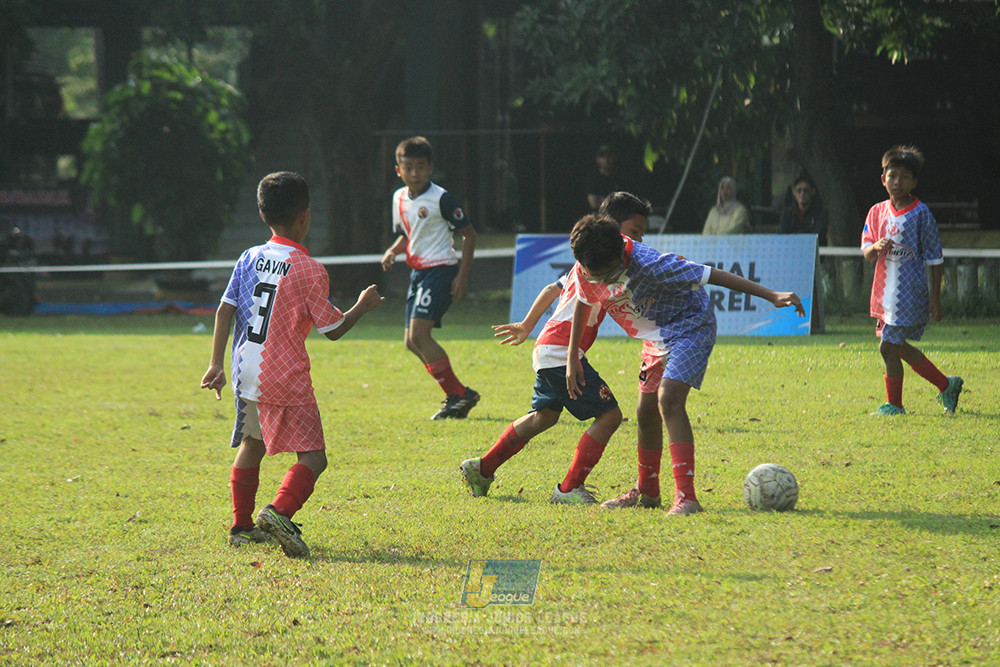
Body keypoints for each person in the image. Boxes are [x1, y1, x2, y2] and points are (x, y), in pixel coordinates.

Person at [565, 216, 804, 515]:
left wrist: (771, 295)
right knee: (646, 413)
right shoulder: (589, 265)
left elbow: (712, 274)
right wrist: (573, 354)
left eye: (610, 274)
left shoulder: (651, 264)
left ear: (621, 256)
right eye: (597, 276)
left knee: (670, 399)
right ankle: (648, 492)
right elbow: (584, 301)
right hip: (655, 338)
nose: (605, 282)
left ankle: (687, 498)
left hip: (690, 325)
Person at [201, 171, 385, 558]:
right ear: (304, 215)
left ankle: (241, 526)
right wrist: (362, 307)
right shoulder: (309, 269)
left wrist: (215, 364)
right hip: (283, 376)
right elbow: (332, 329)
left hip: (243, 369)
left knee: (253, 443)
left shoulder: (249, 256)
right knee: (314, 457)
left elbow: (224, 310)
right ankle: (279, 513)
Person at [459, 192, 651, 505]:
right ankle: (568, 489)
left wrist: (527, 325)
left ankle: (483, 468)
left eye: (643, 234)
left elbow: (553, 288)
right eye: (635, 232)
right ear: (613, 228)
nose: (639, 240)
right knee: (610, 417)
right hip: (563, 352)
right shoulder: (605, 262)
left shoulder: (589, 261)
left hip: (548, 348)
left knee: (544, 416)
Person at [381, 136, 480, 420]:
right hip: (418, 273)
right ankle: (460, 394)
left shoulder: (442, 199)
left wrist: (462, 276)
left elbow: (469, 234)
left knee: (419, 335)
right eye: (408, 168)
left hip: (440, 270)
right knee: (411, 343)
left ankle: (458, 395)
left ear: (430, 168)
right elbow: (406, 234)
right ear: (398, 170)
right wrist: (393, 250)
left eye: (420, 167)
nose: (414, 173)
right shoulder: (398, 198)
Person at [861, 145, 963, 416]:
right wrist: (876, 248)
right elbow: (867, 251)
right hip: (884, 295)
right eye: (892, 176)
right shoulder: (876, 212)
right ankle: (946, 384)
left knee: (887, 347)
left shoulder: (921, 214)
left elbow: (934, 258)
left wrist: (935, 296)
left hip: (909, 294)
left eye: (905, 177)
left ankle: (894, 405)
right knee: (896, 347)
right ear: (883, 178)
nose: (897, 182)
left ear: (914, 182)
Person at [779, 174, 828, 246]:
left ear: (813, 192)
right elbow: (782, 235)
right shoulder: (787, 213)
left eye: (806, 191)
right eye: (799, 190)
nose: (802, 194)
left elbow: (817, 236)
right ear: (794, 192)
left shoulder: (821, 213)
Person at [585, 144, 621, 211]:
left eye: (609, 156)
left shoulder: (620, 178)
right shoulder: (593, 179)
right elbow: (594, 204)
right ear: (598, 160)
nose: (606, 160)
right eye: (603, 157)